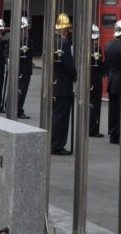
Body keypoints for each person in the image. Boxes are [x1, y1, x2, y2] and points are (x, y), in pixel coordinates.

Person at [51, 13, 76, 155]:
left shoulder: (53, 41)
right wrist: (75, 74)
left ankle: (53, 142)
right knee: (62, 117)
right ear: (65, 30)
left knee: (55, 116)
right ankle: (57, 144)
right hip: (63, 85)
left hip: (54, 83)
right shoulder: (64, 44)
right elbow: (68, 66)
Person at [105, 20, 121, 144]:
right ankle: (118, 133)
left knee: (112, 109)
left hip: (112, 80)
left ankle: (112, 133)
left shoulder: (108, 45)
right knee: (119, 110)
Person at [89, 25, 106, 137]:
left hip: (87, 79)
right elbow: (99, 65)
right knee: (95, 107)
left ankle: (87, 127)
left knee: (88, 105)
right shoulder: (96, 48)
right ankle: (93, 129)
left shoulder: (85, 46)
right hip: (95, 80)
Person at [16, 16, 33, 119]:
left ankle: (11, 105)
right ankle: (18, 109)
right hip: (24, 67)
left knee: (17, 88)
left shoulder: (17, 36)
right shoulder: (26, 38)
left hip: (19, 66)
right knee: (22, 89)